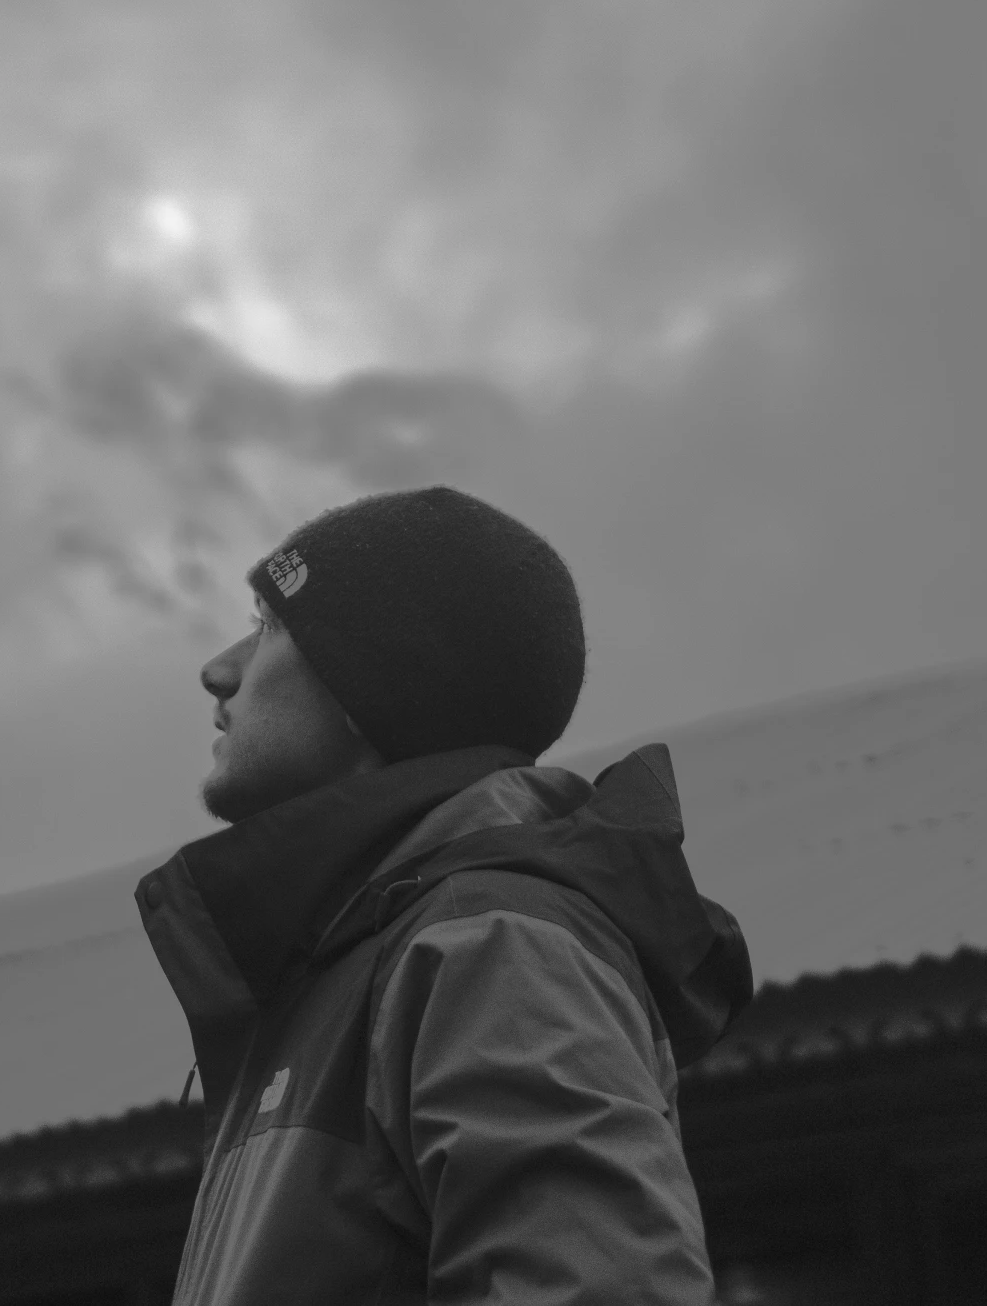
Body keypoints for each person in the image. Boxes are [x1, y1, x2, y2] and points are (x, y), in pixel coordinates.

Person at [137, 485, 754, 1305]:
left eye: (271, 624)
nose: (218, 670)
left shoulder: (489, 942)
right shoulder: (350, 961)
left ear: (376, 683)